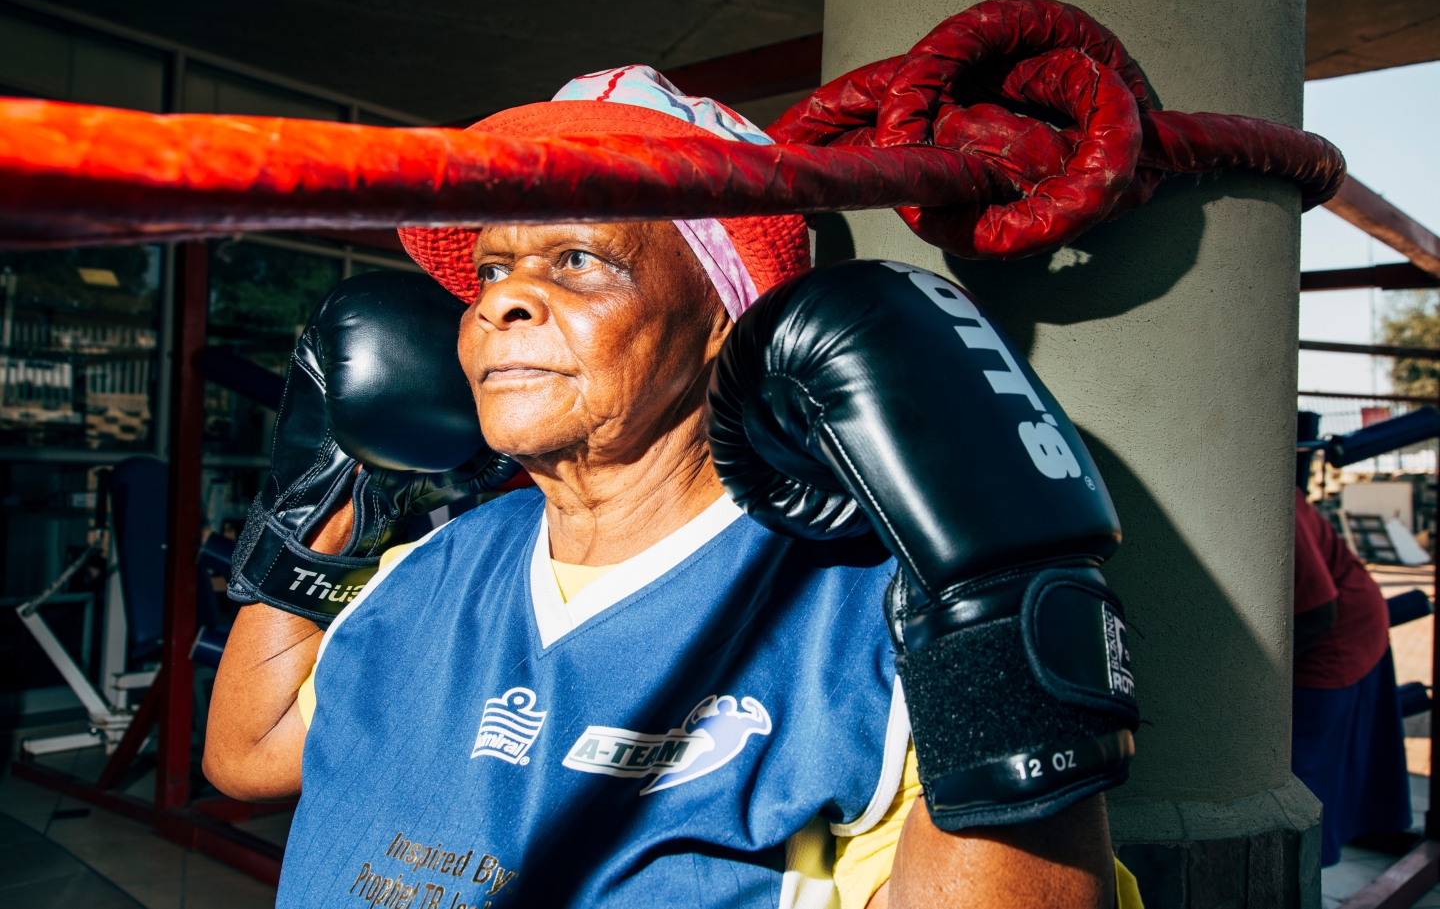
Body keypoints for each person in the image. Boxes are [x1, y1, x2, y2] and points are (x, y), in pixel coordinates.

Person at [205, 67, 1141, 908]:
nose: (499, 299)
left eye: (578, 260)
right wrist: (329, 486)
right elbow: (247, 755)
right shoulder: (432, 565)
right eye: (494, 268)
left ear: (725, 324)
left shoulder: (851, 624)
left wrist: (998, 595)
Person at [1292, 485, 1411, 866]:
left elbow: (1319, 612)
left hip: (1336, 631)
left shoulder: (1273, 504)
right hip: (1338, 617)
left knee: (1305, 776)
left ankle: (1309, 869)